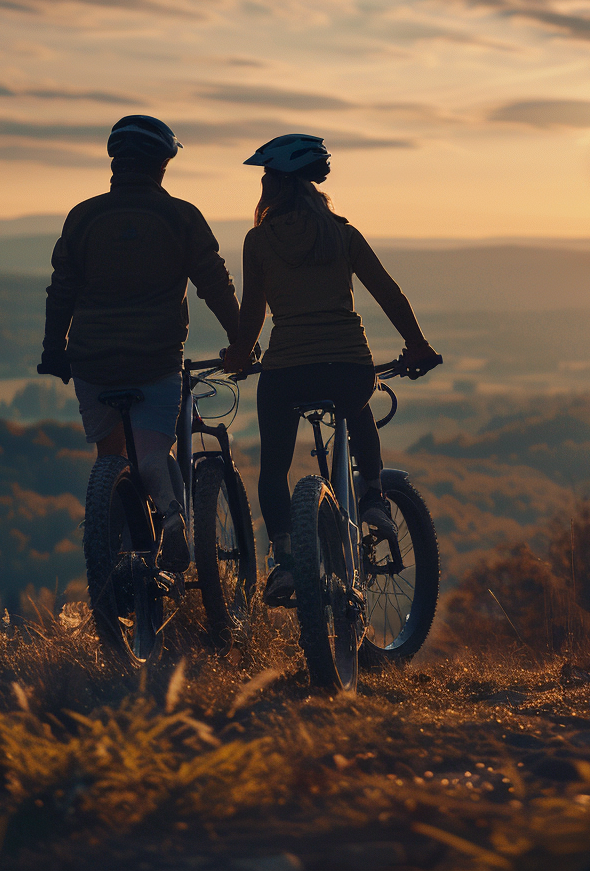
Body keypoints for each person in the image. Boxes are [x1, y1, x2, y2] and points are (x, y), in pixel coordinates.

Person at [222, 133, 440, 607]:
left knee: (274, 468)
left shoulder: (258, 241)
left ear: (277, 184)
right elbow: (389, 292)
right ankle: (374, 498)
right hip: (348, 364)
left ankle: (285, 561)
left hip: (287, 371)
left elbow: (253, 313)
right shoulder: (344, 234)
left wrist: (239, 354)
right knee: (357, 404)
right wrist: (417, 345)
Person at [37, 115, 240, 572]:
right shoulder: (181, 216)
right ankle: (171, 516)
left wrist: (54, 350)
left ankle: (122, 570)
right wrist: (242, 341)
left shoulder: (83, 217)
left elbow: (61, 289)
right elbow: (215, 284)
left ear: (115, 163)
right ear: (162, 165)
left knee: (112, 461)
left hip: (92, 362)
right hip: (156, 360)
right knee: (150, 454)